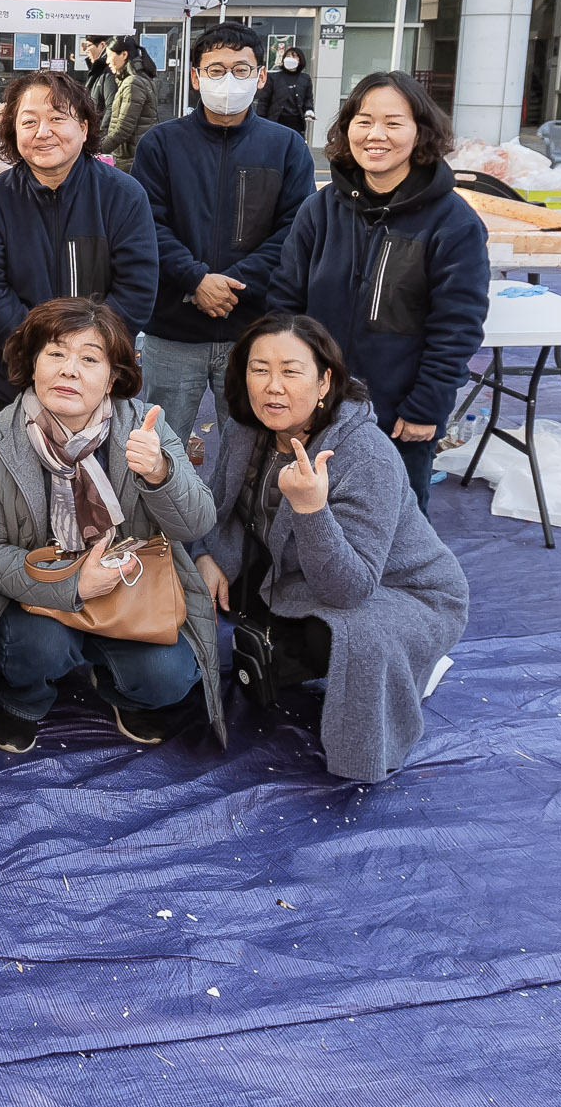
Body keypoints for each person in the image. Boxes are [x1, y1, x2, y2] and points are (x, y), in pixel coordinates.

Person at [194, 314, 468, 782]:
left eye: (291, 371)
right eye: (259, 369)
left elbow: (351, 589)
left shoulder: (366, 454)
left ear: (325, 382)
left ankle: (410, 656)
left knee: (349, 635)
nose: (272, 387)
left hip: (399, 589)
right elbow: (222, 508)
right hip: (297, 572)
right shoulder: (247, 429)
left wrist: (311, 510)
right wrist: (207, 554)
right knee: (213, 597)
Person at [0, 296, 222, 756]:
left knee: (168, 677)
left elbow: (197, 521)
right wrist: (75, 581)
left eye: (89, 358)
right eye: (56, 353)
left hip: (130, 587)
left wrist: (161, 474)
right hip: (40, 595)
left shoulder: (144, 427)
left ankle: (118, 686)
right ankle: (25, 701)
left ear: (114, 377)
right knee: (35, 646)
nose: (68, 370)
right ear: (33, 363)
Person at [267, 71, 489, 512]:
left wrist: (428, 404)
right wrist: (292, 389)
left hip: (397, 417)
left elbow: (457, 326)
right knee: (307, 525)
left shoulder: (452, 223)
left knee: (395, 531)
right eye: (364, 120)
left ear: (420, 131)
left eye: (394, 122)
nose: (376, 135)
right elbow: (285, 304)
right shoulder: (320, 210)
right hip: (318, 411)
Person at [130, 23, 317, 445]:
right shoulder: (160, 144)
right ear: (195, 77)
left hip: (254, 333)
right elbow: (146, 224)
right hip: (173, 328)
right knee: (157, 447)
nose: (228, 80)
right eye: (215, 70)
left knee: (254, 450)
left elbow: (295, 231)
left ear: (261, 75)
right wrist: (195, 278)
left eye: (240, 69)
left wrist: (233, 285)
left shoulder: (286, 147)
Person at [0, 69, 159, 427]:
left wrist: (80, 356)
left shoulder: (124, 195)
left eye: (57, 118)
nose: (43, 132)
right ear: (13, 131)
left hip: (94, 381)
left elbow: (136, 288)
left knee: (95, 480)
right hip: (11, 379)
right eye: (29, 121)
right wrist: (42, 355)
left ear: (83, 127)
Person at [97, 38, 162, 171]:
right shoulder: (138, 79)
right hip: (134, 156)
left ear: (124, 55)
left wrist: (97, 149)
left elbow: (123, 128)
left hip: (130, 160)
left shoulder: (133, 83)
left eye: (109, 55)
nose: (107, 61)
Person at [259, 42, 315, 138]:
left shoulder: (305, 78)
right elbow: (264, 100)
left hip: (297, 123)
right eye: (288, 56)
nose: (290, 58)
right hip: (276, 121)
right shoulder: (274, 77)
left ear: (300, 60)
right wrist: (260, 119)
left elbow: (308, 98)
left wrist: (309, 110)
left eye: (294, 56)